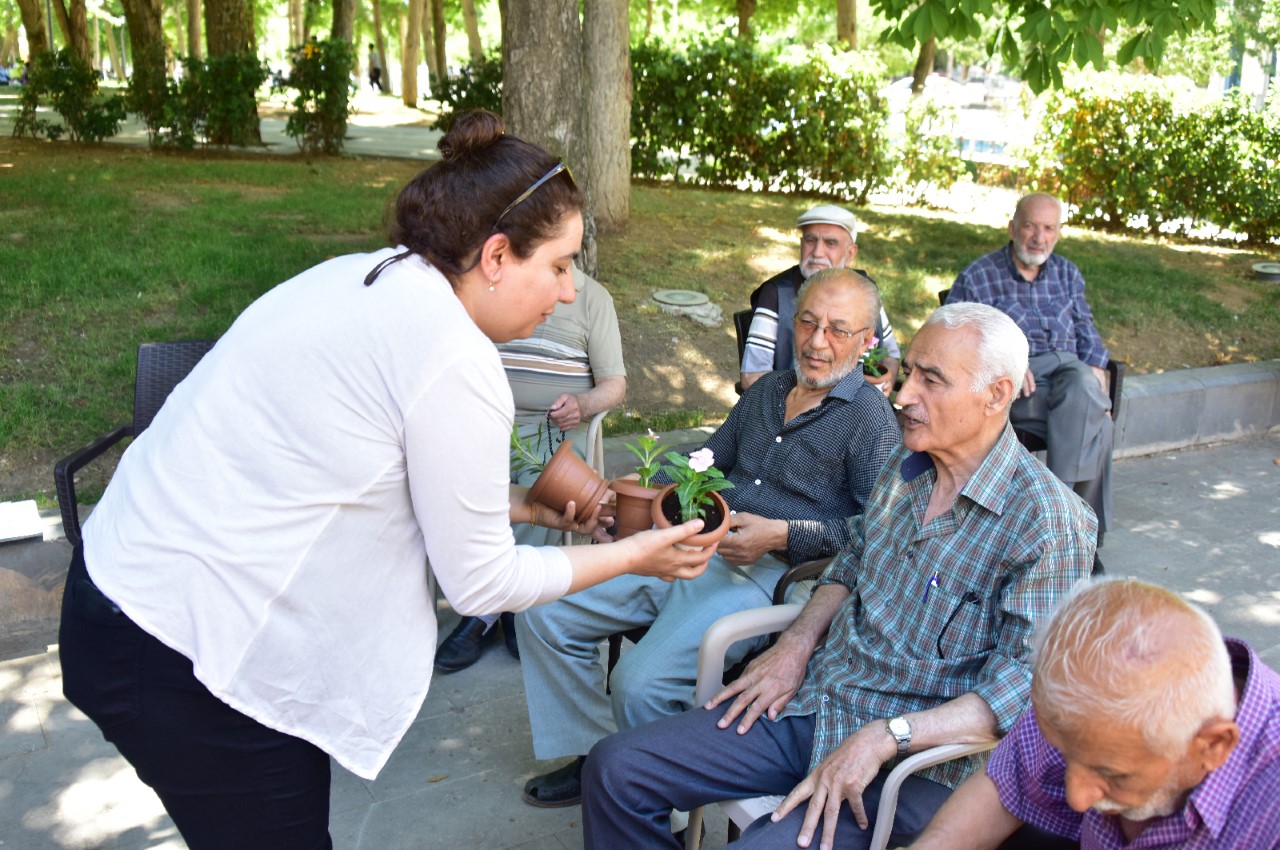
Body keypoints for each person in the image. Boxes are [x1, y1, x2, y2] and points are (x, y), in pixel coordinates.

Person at [57, 109, 715, 848]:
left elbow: (376, 476)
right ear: (497, 256)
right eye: (560, 266)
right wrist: (634, 555)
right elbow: (483, 585)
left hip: (119, 596)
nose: (568, 293)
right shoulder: (453, 356)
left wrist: (527, 508)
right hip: (186, 649)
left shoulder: (364, 276)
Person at [582, 302, 1098, 850]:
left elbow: (1022, 692)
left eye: (931, 380)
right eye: (909, 372)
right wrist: (795, 644)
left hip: (917, 766)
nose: (903, 395)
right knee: (616, 770)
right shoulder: (909, 465)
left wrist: (888, 737)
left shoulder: (1048, 522)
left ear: (996, 395)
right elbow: (851, 560)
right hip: (820, 702)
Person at [518, 267, 902, 809]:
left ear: (866, 342)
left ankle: (654, 811)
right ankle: (596, 755)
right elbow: (705, 458)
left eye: (838, 330)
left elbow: (877, 532)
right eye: (809, 322)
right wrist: (642, 486)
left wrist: (783, 534)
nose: (818, 342)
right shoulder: (768, 390)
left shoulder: (870, 420)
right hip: (695, 546)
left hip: (774, 577)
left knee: (640, 683)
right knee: (544, 608)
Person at [908, 578, 1280, 850]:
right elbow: (1010, 783)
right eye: (1066, 756)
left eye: (1112, 774)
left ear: (1214, 745)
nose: (1078, 799)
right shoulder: (1092, 696)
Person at [434, 265, 627, 672]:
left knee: (543, 486)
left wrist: (582, 405)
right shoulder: (498, 286)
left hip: (553, 430)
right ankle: (511, 603)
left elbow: (615, 385)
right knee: (455, 485)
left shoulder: (592, 298)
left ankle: (485, 612)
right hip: (485, 422)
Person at [947, 192, 1113, 539]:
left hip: (1069, 378)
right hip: (1018, 388)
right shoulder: (980, 276)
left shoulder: (1067, 273)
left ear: (1058, 232)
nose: (1039, 237)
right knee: (1097, 422)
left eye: (1049, 228)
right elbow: (956, 343)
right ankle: (1079, 534)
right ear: (1012, 228)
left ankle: (1061, 516)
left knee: (1084, 384)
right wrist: (1006, 364)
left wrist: (1098, 367)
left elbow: (1086, 329)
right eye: (1030, 227)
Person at [740, 204, 901, 395]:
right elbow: (752, 376)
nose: (817, 252)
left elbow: (891, 355)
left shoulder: (864, 291)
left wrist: (887, 381)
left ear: (850, 253)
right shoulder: (776, 293)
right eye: (810, 240)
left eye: (830, 243)